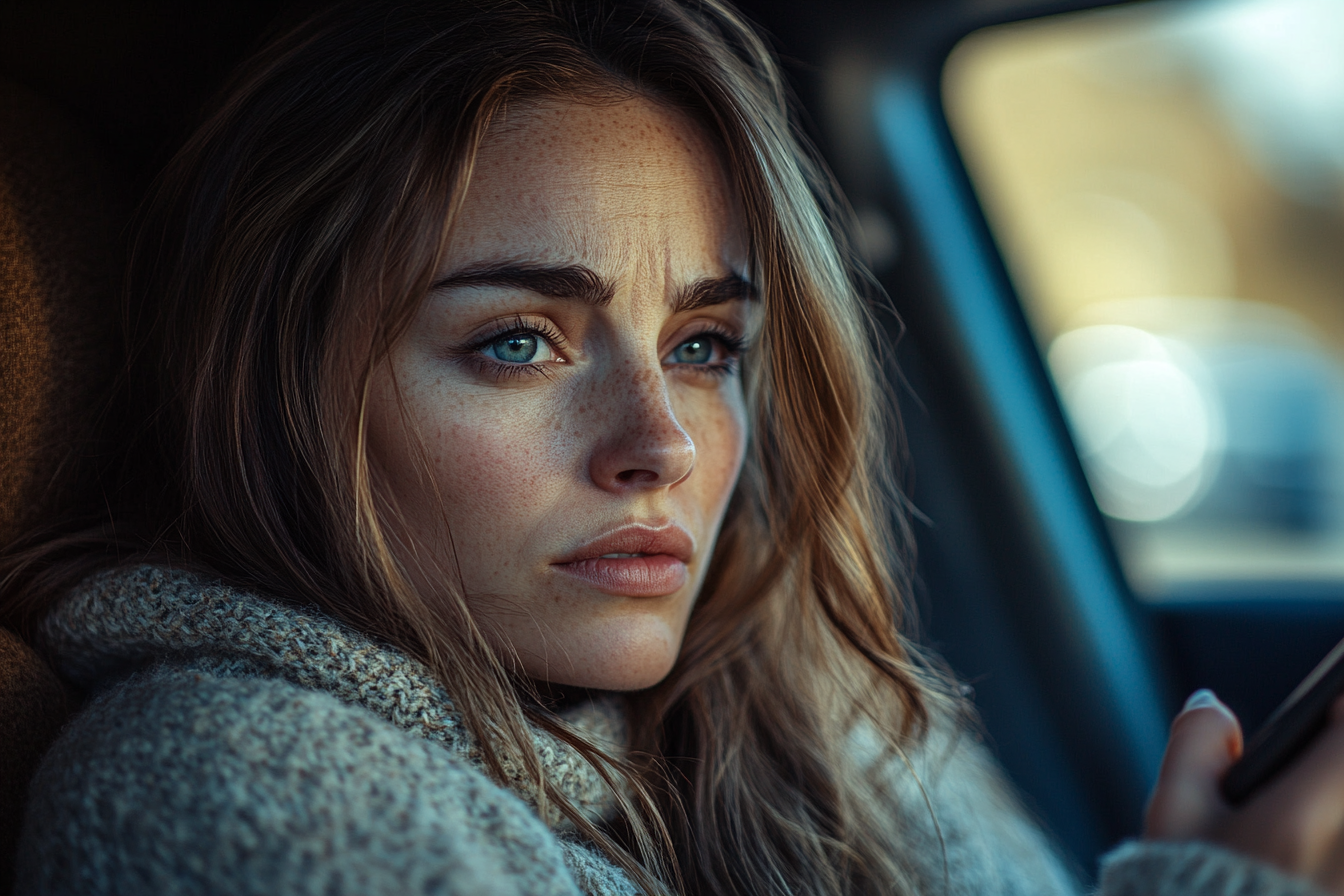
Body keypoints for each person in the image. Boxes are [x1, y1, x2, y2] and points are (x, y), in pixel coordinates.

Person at [4, 1, 1344, 893]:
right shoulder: (234, 790)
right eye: (517, 342)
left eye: (704, 348)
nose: (660, 445)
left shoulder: (840, 722)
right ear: (272, 390)